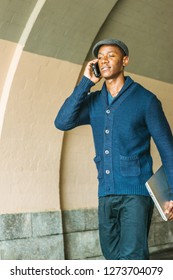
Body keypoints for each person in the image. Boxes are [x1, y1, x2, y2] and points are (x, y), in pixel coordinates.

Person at [54, 38, 173, 260]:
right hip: (106, 193)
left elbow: (168, 149)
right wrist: (85, 83)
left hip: (136, 195)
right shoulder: (94, 101)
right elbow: (62, 122)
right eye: (100, 57)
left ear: (125, 60)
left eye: (111, 55)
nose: (104, 61)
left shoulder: (146, 100)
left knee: (132, 259)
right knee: (111, 258)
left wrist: (172, 193)